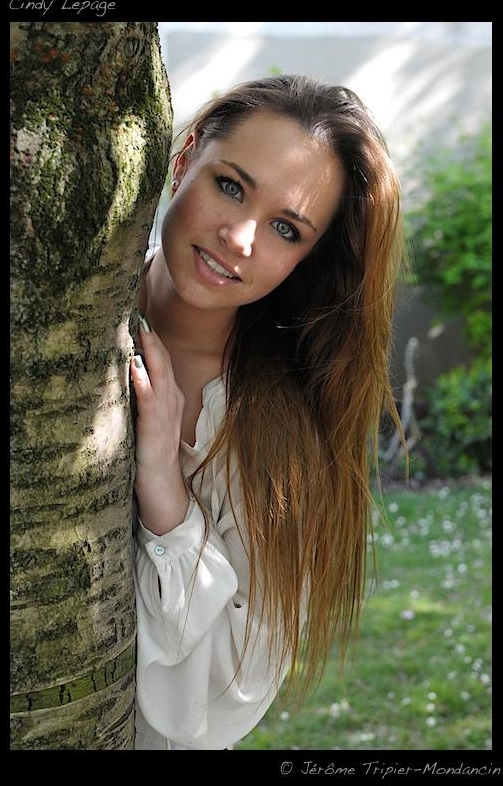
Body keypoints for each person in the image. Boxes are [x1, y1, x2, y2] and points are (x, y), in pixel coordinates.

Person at [130, 74, 405, 750]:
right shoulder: (58, 309)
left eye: (286, 228)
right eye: (231, 185)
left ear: (305, 260)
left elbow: (229, 695)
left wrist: (165, 489)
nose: (239, 237)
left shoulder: (270, 436)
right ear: (185, 157)